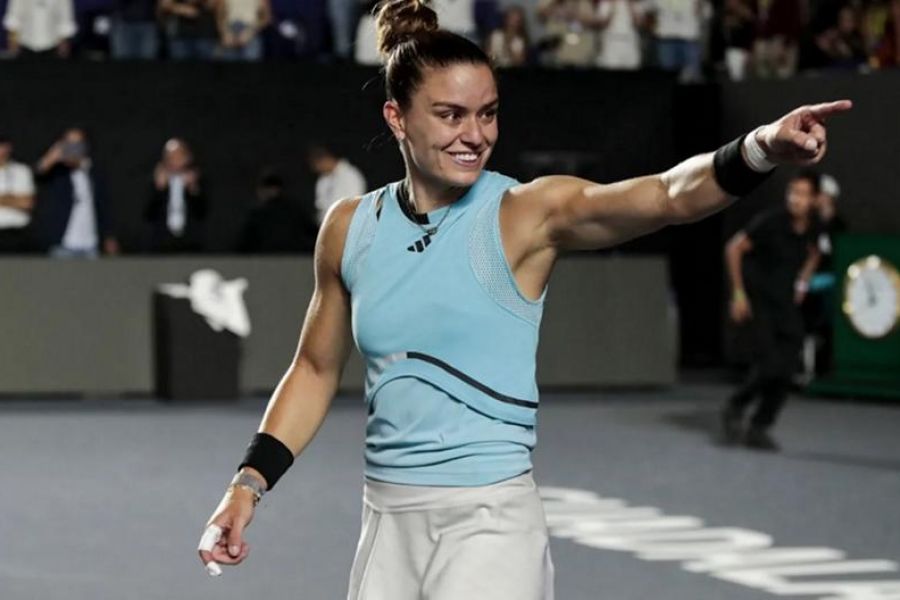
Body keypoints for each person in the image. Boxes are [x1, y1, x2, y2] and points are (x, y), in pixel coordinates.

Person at [197, 0, 851, 595]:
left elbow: (666, 196)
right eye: (450, 115)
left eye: (487, 113)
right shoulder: (349, 228)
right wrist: (247, 485)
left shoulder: (525, 213)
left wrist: (760, 148)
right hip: (386, 521)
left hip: (491, 526)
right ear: (396, 117)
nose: (475, 134)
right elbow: (314, 369)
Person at [722, 170, 823, 451]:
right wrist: (738, 294)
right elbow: (734, 249)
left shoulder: (814, 226)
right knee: (769, 366)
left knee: (787, 371)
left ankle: (759, 426)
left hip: (786, 304)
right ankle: (736, 405)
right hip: (759, 302)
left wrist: (802, 282)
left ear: (814, 199)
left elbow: (815, 253)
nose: (795, 199)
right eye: (793, 192)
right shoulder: (770, 221)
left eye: (803, 194)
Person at [34, 128, 119, 258]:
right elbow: (38, 174)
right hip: (62, 244)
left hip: (91, 245)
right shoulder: (57, 172)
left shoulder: (95, 172)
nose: (73, 149)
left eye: (77, 145)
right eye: (69, 144)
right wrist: (52, 157)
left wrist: (109, 236)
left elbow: (104, 206)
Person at [144, 138, 208, 253]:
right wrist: (159, 189)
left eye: (178, 156)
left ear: (187, 157)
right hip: (162, 245)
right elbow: (148, 214)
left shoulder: (198, 179)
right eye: (170, 157)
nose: (174, 160)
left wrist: (193, 189)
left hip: (191, 245)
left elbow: (203, 212)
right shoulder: (155, 181)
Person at [237, 168, 317, 253]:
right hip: (296, 257)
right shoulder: (295, 210)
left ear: (261, 190)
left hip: (266, 258)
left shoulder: (257, 214)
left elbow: (242, 244)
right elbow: (315, 234)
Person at [308, 144, 366, 226]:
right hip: (329, 225)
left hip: (349, 224)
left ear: (325, 159)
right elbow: (321, 205)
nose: (316, 169)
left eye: (317, 165)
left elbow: (354, 202)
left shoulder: (350, 174)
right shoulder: (323, 180)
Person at [3, 0, 77, 59]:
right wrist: (13, 43)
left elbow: (65, 18)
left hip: (53, 44)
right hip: (25, 44)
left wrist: (63, 44)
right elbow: (14, 16)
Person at [0, 134, 36, 253]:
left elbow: (27, 203)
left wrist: (3, 199)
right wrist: (13, 199)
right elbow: (21, 201)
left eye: (2, 146)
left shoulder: (22, 170)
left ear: (8, 148)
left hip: (16, 233)